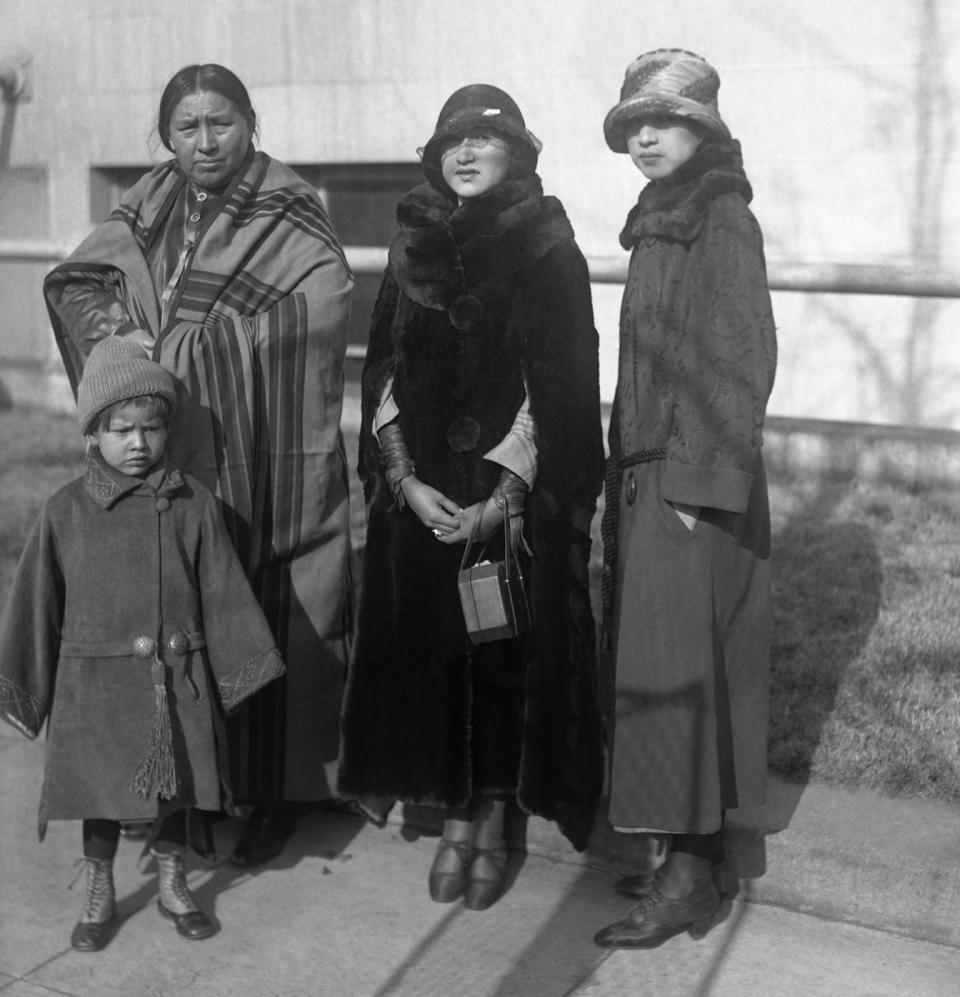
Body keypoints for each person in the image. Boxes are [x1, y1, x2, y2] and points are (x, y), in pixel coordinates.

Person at [43, 64, 354, 867]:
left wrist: (182, 351)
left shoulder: (289, 208)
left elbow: (317, 310)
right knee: (174, 613)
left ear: (251, 124)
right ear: (166, 135)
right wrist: (121, 335)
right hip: (166, 447)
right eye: (188, 127)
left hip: (262, 454)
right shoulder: (150, 201)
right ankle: (180, 787)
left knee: (274, 601)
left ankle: (280, 794)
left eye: (222, 123)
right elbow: (82, 277)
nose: (205, 141)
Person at [337, 84, 605, 910]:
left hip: (502, 502)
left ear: (516, 154)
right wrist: (405, 481)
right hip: (421, 503)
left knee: (499, 662)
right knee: (435, 657)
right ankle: (448, 813)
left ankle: (492, 819)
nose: (464, 154)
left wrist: (507, 492)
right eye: (451, 141)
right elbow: (380, 369)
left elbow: (555, 386)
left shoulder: (547, 246)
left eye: (482, 142)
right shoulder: (412, 243)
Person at [0, 337, 286, 951]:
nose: (138, 443)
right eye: (121, 430)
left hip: (173, 683)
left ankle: (173, 880)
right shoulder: (65, 513)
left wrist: (241, 668)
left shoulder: (193, 507)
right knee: (100, 792)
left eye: (151, 428)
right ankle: (100, 885)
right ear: (92, 435)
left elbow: (224, 589)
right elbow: (35, 603)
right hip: (95, 689)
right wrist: (25, 686)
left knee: (176, 789)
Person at [593, 49, 778, 949]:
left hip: (690, 484)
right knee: (663, 672)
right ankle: (681, 853)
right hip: (654, 475)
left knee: (686, 672)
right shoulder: (663, 218)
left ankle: (692, 878)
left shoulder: (720, 216)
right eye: (634, 126)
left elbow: (737, 359)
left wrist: (694, 490)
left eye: (660, 122)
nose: (643, 139)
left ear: (700, 128)